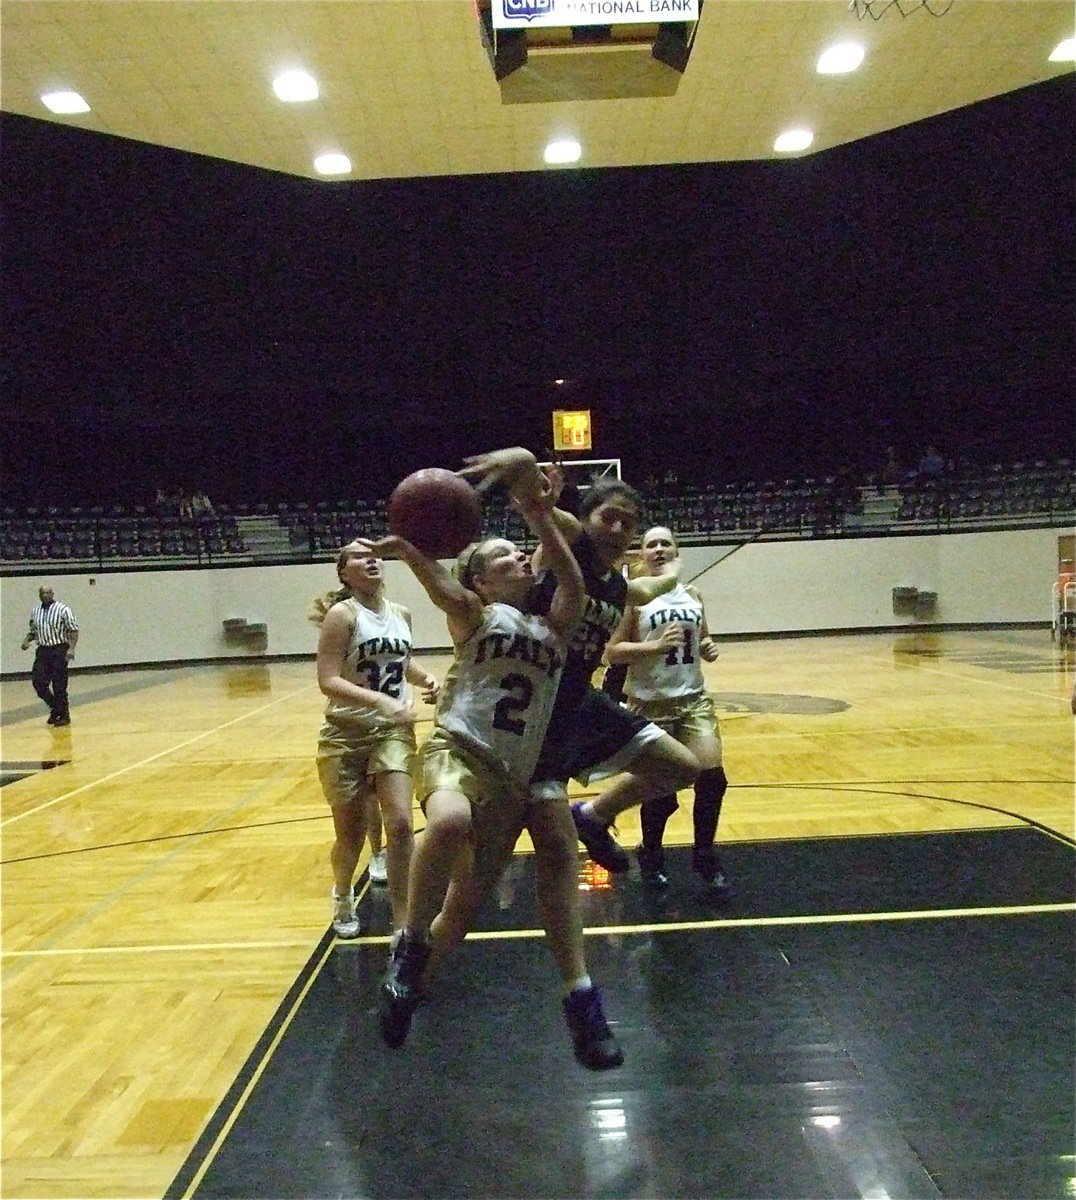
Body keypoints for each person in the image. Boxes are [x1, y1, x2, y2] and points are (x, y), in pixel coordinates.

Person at [373, 481, 624, 1069]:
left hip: (516, 772)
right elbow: (442, 588)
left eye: (520, 551)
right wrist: (408, 550)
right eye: (504, 556)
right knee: (449, 822)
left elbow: (573, 582)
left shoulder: (555, 626)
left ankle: (416, 988)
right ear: (481, 582)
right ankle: (411, 946)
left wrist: (540, 515)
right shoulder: (476, 614)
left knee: (473, 899)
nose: (519, 557)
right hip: (460, 750)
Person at [458, 448, 699, 875]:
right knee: (509, 850)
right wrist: (520, 462)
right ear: (586, 518)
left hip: (577, 702)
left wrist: (672, 570)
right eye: (609, 517)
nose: (618, 528)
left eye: (628, 522)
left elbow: (654, 588)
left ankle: (593, 815)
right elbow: (531, 492)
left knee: (682, 766)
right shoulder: (572, 539)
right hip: (530, 706)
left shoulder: (621, 586)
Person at [309, 541, 439, 940]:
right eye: (358, 555)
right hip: (345, 733)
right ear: (344, 572)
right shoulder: (342, 615)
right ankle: (342, 892)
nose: (371, 559)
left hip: (392, 731)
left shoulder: (401, 613)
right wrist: (379, 700)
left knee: (400, 824)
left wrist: (425, 678)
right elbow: (328, 680)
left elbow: (401, 660)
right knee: (349, 836)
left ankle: (403, 923)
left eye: (375, 554)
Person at [604, 525, 731, 897]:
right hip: (649, 703)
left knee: (713, 779)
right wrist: (654, 647)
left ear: (677, 551)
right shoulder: (635, 599)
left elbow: (702, 636)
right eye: (651, 544)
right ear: (642, 555)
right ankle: (652, 852)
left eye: (665, 543)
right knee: (661, 789)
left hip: (692, 700)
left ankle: (705, 855)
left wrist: (707, 646)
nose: (659, 549)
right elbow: (611, 653)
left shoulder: (693, 594)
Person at [20, 585, 79, 726]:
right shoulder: (35, 611)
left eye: (48, 593)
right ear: (39, 595)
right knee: (38, 682)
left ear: (52, 594)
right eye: (42, 593)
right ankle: (56, 707)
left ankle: (64, 715)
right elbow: (33, 631)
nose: (45, 595)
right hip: (43, 650)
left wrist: (71, 649)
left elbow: (73, 630)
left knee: (59, 685)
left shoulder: (63, 609)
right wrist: (26, 640)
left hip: (59, 649)